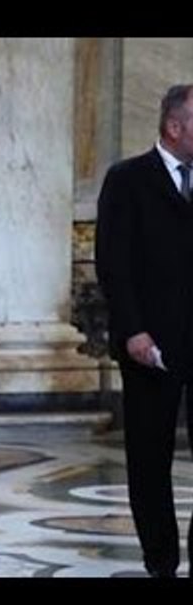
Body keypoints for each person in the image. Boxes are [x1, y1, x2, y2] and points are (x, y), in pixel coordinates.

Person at [95, 84, 193, 579]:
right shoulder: (128, 179)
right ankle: (161, 563)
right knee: (149, 463)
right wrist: (133, 331)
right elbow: (113, 263)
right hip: (150, 346)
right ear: (175, 127)